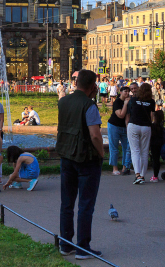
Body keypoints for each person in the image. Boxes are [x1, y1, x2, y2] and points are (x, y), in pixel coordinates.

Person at [56, 69, 105, 260]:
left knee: (66, 203)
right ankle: (83, 248)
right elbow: (95, 134)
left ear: (76, 83)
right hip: (86, 159)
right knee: (85, 204)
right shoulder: (89, 105)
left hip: (66, 155)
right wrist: (101, 154)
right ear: (93, 86)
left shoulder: (64, 101)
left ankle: (65, 244)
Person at [126, 83, 156, 185]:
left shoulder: (134, 100)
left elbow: (129, 112)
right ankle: (143, 176)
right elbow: (152, 115)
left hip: (134, 125)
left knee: (135, 151)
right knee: (144, 151)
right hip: (146, 127)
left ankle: (137, 175)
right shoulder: (151, 101)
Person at [106, 86, 131, 175]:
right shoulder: (117, 102)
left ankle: (125, 167)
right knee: (114, 147)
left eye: (128, 91)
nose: (127, 93)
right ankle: (115, 168)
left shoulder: (130, 102)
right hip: (114, 126)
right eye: (125, 91)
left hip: (125, 127)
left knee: (127, 147)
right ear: (120, 92)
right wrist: (125, 104)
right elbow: (120, 115)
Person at [149, 108, 165, 182]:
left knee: (155, 159)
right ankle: (156, 175)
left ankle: (155, 175)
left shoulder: (152, 126)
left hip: (154, 144)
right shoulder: (162, 127)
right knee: (157, 159)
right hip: (161, 143)